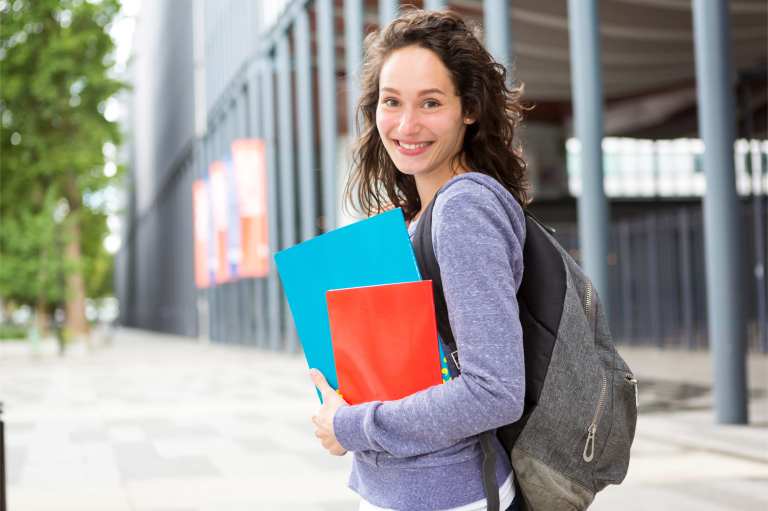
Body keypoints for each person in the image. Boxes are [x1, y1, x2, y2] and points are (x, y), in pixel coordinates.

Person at [310, 9, 529, 511]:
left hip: (447, 498)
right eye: (392, 102)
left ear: (468, 109)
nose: (406, 125)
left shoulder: (463, 210)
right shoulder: (426, 212)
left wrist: (351, 425)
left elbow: (494, 390)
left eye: (430, 102)